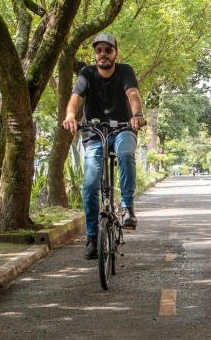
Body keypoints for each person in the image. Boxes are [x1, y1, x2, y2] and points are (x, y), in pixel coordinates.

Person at [62, 33, 145, 260]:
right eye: (99, 50)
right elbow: (75, 98)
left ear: (115, 52)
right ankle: (92, 237)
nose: (103, 54)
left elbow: (133, 94)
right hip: (94, 134)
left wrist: (136, 114)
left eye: (108, 50)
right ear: (95, 54)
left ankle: (127, 207)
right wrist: (70, 115)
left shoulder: (125, 71)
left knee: (126, 153)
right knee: (90, 184)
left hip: (122, 130)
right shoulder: (87, 73)